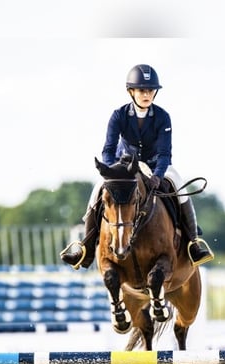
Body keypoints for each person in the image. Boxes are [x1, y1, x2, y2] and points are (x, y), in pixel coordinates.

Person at [60, 64, 214, 269]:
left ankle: (194, 243)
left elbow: (165, 154)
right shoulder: (118, 115)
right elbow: (108, 149)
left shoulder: (162, 116)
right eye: (142, 90)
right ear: (131, 92)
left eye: (150, 90)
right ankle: (85, 246)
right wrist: (110, 172)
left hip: (154, 165)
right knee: (98, 187)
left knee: (178, 183)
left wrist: (158, 176)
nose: (147, 94)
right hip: (125, 167)